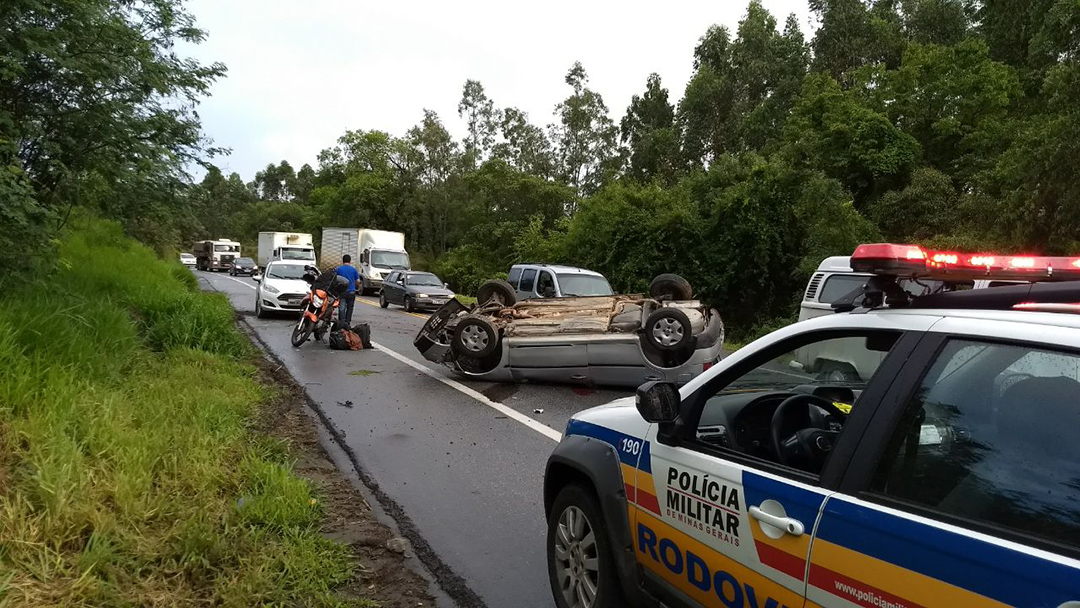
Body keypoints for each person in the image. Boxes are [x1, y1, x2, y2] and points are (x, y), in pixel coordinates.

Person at [335, 254, 361, 325]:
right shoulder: (353, 270)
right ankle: (347, 322)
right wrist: (355, 286)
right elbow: (358, 281)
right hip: (351, 291)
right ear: (350, 261)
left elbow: (334, 279)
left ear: (342, 260)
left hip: (342, 292)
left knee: (342, 307)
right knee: (350, 307)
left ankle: (341, 322)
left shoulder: (338, 269)